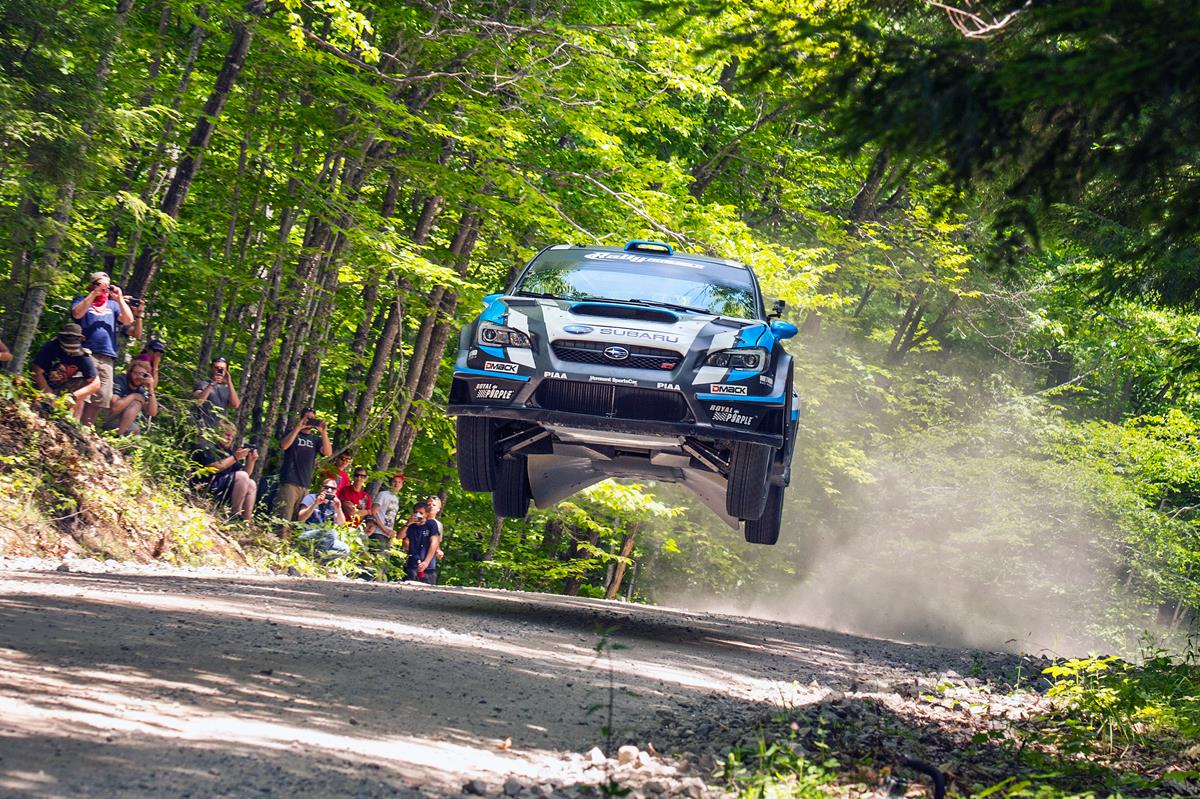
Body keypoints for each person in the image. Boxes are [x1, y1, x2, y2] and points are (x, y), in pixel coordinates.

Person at [70, 271, 134, 426]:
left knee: (100, 395)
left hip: (107, 355)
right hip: (86, 352)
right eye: (100, 284)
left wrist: (119, 299)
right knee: (83, 388)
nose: (104, 288)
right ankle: (72, 423)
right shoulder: (82, 300)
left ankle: (87, 430)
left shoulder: (113, 305)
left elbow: (128, 320)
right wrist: (94, 294)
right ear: (92, 285)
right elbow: (77, 314)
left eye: (107, 285)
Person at [31, 323, 101, 421]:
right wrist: (49, 394)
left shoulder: (83, 356)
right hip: (43, 386)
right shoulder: (50, 347)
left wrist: (72, 398)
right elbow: (36, 370)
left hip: (64, 390)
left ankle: (68, 417)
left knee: (84, 382)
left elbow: (96, 383)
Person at [192, 420, 259, 521]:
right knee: (242, 476)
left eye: (232, 436)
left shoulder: (228, 452)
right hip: (206, 487)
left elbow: (245, 476)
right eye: (227, 435)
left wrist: (251, 461)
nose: (230, 439)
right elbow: (212, 468)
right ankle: (235, 515)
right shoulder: (206, 447)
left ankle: (246, 521)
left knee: (251, 483)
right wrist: (235, 457)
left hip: (223, 488)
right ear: (218, 433)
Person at [275, 408, 332, 522]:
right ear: (301, 418)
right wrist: (298, 428)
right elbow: (284, 446)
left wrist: (323, 432)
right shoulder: (292, 433)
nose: (309, 421)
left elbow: (328, 453)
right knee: (284, 519)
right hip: (289, 481)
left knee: (297, 521)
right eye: (307, 418)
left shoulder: (316, 439)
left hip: (305, 483)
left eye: (312, 419)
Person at [296, 477, 350, 559]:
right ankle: (314, 558)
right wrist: (315, 504)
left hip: (324, 539)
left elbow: (341, 523)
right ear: (321, 488)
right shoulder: (311, 497)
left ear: (336, 491)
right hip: (307, 534)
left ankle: (319, 561)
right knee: (331, 533)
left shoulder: (332, 505)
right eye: (326, 487)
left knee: (344, 549)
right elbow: (301, 518)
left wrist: (338, 508)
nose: (329, 490)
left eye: (332, 489)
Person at [104, 360, 158, 435]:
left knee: (135, 429)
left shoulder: (141, 390)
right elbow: (114, 407)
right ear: (130, 373)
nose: (138, 377)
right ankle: (118, 436)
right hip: (105, 416)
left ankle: (119, 436)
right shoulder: (121, 380)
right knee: (136, 403)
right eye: (135, 373)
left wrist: (151, 388)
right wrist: (134, 396)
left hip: (119, 421)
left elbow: (152, 412)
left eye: (142, 374)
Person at [193, 356, 240, 429]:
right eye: (217, 368)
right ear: (211, 368)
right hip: (203, 427)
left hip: (220, 429)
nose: (219, 370)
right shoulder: (202, 385)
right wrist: (212, 384)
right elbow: (199, 402)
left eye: (222, 369)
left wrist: (229, 382)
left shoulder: (227, 388)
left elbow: (235, 405)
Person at [402, 501, 441, 585]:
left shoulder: (431, 524)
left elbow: (434, 542)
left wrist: (426, 562)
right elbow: (400, 536)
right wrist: (408, 523)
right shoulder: (411, 526)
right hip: (412, 564)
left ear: (426, 514)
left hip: (428, 566)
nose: (418, 515)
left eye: (421, 513)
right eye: (416, 512)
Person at [372, 472, 406, 541]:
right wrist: (384, 529)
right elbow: (373, 512)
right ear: (390, 483)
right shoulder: (383, 494)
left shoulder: (396, 499)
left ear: (402, 485)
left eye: (399, 482)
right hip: (377, 532)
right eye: (394, 481)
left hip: (387, 534)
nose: (397, 484)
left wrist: (390, 531)